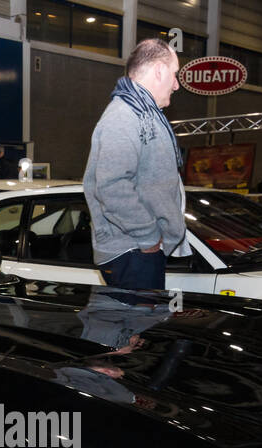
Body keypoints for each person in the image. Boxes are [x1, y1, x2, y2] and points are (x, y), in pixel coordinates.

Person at [82, 38, 188, 290]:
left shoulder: (141, 113)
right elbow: (111, 186)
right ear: (159, 70)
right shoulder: (124, 116)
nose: (176, 85)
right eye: (174, 75)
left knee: (138, 327)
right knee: (138, 326)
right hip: (133, 250)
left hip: (137, 249)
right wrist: (149, 237)